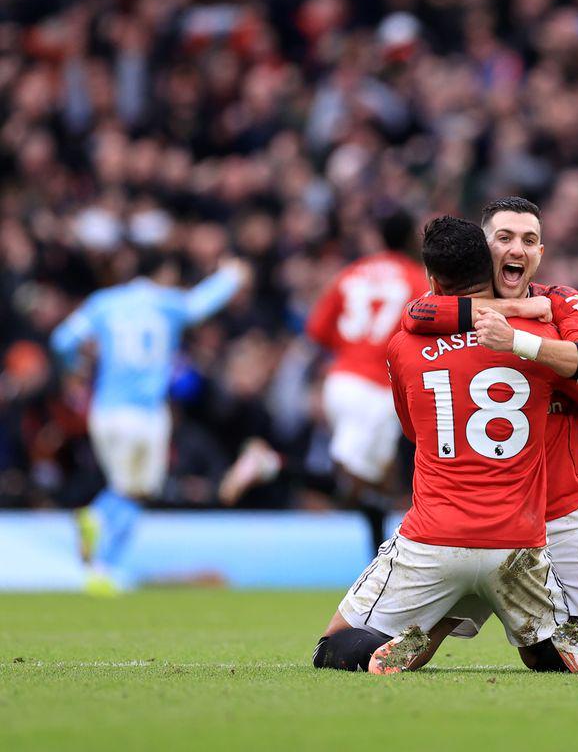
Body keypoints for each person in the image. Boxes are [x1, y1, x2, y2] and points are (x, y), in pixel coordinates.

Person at [313, 215, 578, 675]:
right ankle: (566, 641)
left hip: (433, 536)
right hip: (518, 540)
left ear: (431, 279)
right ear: (488, 265)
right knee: (541, 642)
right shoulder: (538, 340)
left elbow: (413, 431)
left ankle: (405, 640)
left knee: (333, 648)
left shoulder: (405, 344)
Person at [398, 196, 578, 672]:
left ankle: (545, 636)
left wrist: (529, 347)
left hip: (561, 513)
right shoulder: (445, 312)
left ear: (541, 252)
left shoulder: (560, 303)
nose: (516, 249)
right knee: (400, 654)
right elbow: (413, 315)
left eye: (529, 240)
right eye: (504, 238)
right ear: (483, 248)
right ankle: (541, 631)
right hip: (485, 517)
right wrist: (516, 316)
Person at [219, 210, 427, 553]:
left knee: (376, 486)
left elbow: (316, 332)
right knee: (354, 483)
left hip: (342, 380)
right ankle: (270, 464)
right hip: (376, 389)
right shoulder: (417, 280)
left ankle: (377, 560)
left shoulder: (351, 274)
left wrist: (353, 349)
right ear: (410, 240)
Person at [49, 251, 249, 594]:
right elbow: (200, 304)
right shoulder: (167, 304)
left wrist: (73, 371)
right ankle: (98, 523)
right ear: (165, 272)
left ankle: (99, 571)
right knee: (138, 491)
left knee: (124, 487)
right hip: (145, 414)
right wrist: (230, 276)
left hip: (105, 410)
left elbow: (62, 340)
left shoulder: (105, 302)